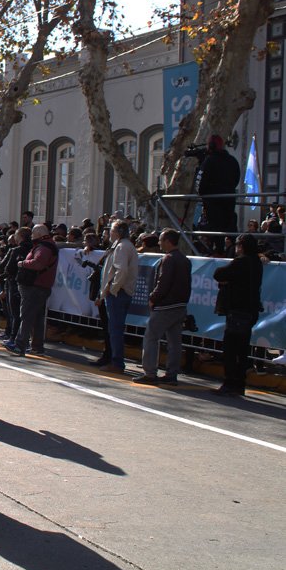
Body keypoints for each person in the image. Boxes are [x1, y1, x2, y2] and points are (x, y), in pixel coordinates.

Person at [134, 229, 190, 385]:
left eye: (161, 240)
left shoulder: (168, 259)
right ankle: (172, 374)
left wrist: (153, 298)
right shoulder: (184, 259)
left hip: (165, 306)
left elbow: (162, 283)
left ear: (167, 241)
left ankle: (150, 372)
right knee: (175, 342)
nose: (159, 243)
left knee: (151, 337)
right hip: (180, 306)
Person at [212, 233, 263, 396]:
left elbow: (219, 274)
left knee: (231, 349)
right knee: (242, 350)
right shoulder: (256, 262)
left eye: (239, 245)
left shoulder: (241, 262)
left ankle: (230, 383)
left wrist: (228, 281)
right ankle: (239, 383)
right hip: (250, 310)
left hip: (237, 310)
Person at [5, 224, 58, 356]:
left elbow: (38, 263)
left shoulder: (44, 247)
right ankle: (36, 347)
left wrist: (22, 263)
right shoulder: (47, 245)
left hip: (35, 286)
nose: (32, 235)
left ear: (40, 233)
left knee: (27, 316)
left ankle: (20, 346)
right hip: (40, 286)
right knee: (37, 317)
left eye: (34, 232)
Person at [97, 220, 138, 372]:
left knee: (115, 329)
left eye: (112, 230)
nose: (110, 233)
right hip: (120, 292)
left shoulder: (122, 247)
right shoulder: (123, 246)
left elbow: (121, 271)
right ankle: (116, 360)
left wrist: (112, 289)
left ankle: (117, 363)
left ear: (119, 232)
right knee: (115, 328)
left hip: (118, 293)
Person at [197, 135, 241, 255]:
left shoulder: (209, 161)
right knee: (229, 226)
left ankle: (219, 251)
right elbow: (236, 179)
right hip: (229, 199)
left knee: (216, 228)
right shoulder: (232, 160)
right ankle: (235, 249)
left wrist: (203, 193)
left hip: (213, 202)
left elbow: (200, 182)